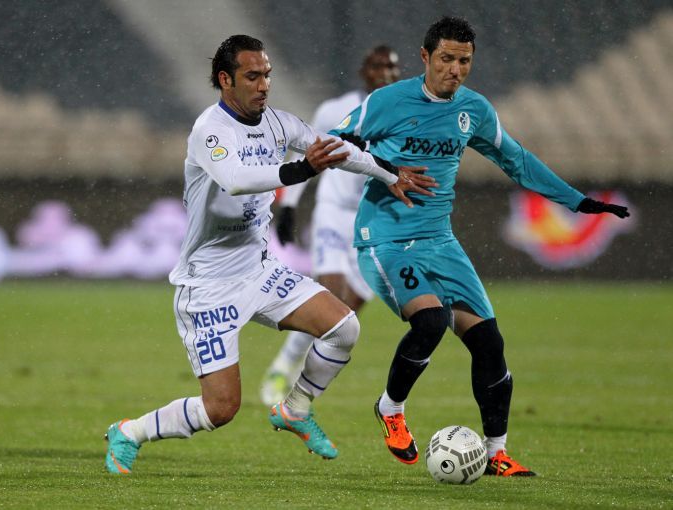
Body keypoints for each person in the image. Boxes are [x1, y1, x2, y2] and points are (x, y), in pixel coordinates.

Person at [103, 34, 436, 474]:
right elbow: (237, 179)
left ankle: (295, 408)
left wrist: (389, 174)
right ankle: (130, 431)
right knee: (220, 409)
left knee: (343, 328)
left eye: (267, 75)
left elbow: (337, 149)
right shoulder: (210, 130)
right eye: (252, 76)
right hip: (208, 286)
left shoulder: (279, 124)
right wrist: (303, 168)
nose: (263, 85)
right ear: (225, 80)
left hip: (260, 272)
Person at [329, 17, 630, 475]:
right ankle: (391, 408)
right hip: (386, 240)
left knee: (489, 344)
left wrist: (577, 201)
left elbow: (516, 160)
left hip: (440, 240)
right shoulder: (387, 101)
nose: (455, 69)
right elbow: (335, 144)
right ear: (425, 57)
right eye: (446, 59)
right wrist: (387, 171)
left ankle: (496, 453)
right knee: (431, 321)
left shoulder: (474, 110)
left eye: (464, 61)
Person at [260, 45, 402, 406]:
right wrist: (289, 204)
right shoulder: (334, 109)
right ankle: (284, 367)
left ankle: (297, 368)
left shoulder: (406, 113)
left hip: (375, 219)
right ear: (364, 72)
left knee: (344, 315)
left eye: (392, 67)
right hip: (334, 211)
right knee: (330, 294)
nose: (386, 73)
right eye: (378, 66)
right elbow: (306, 151)